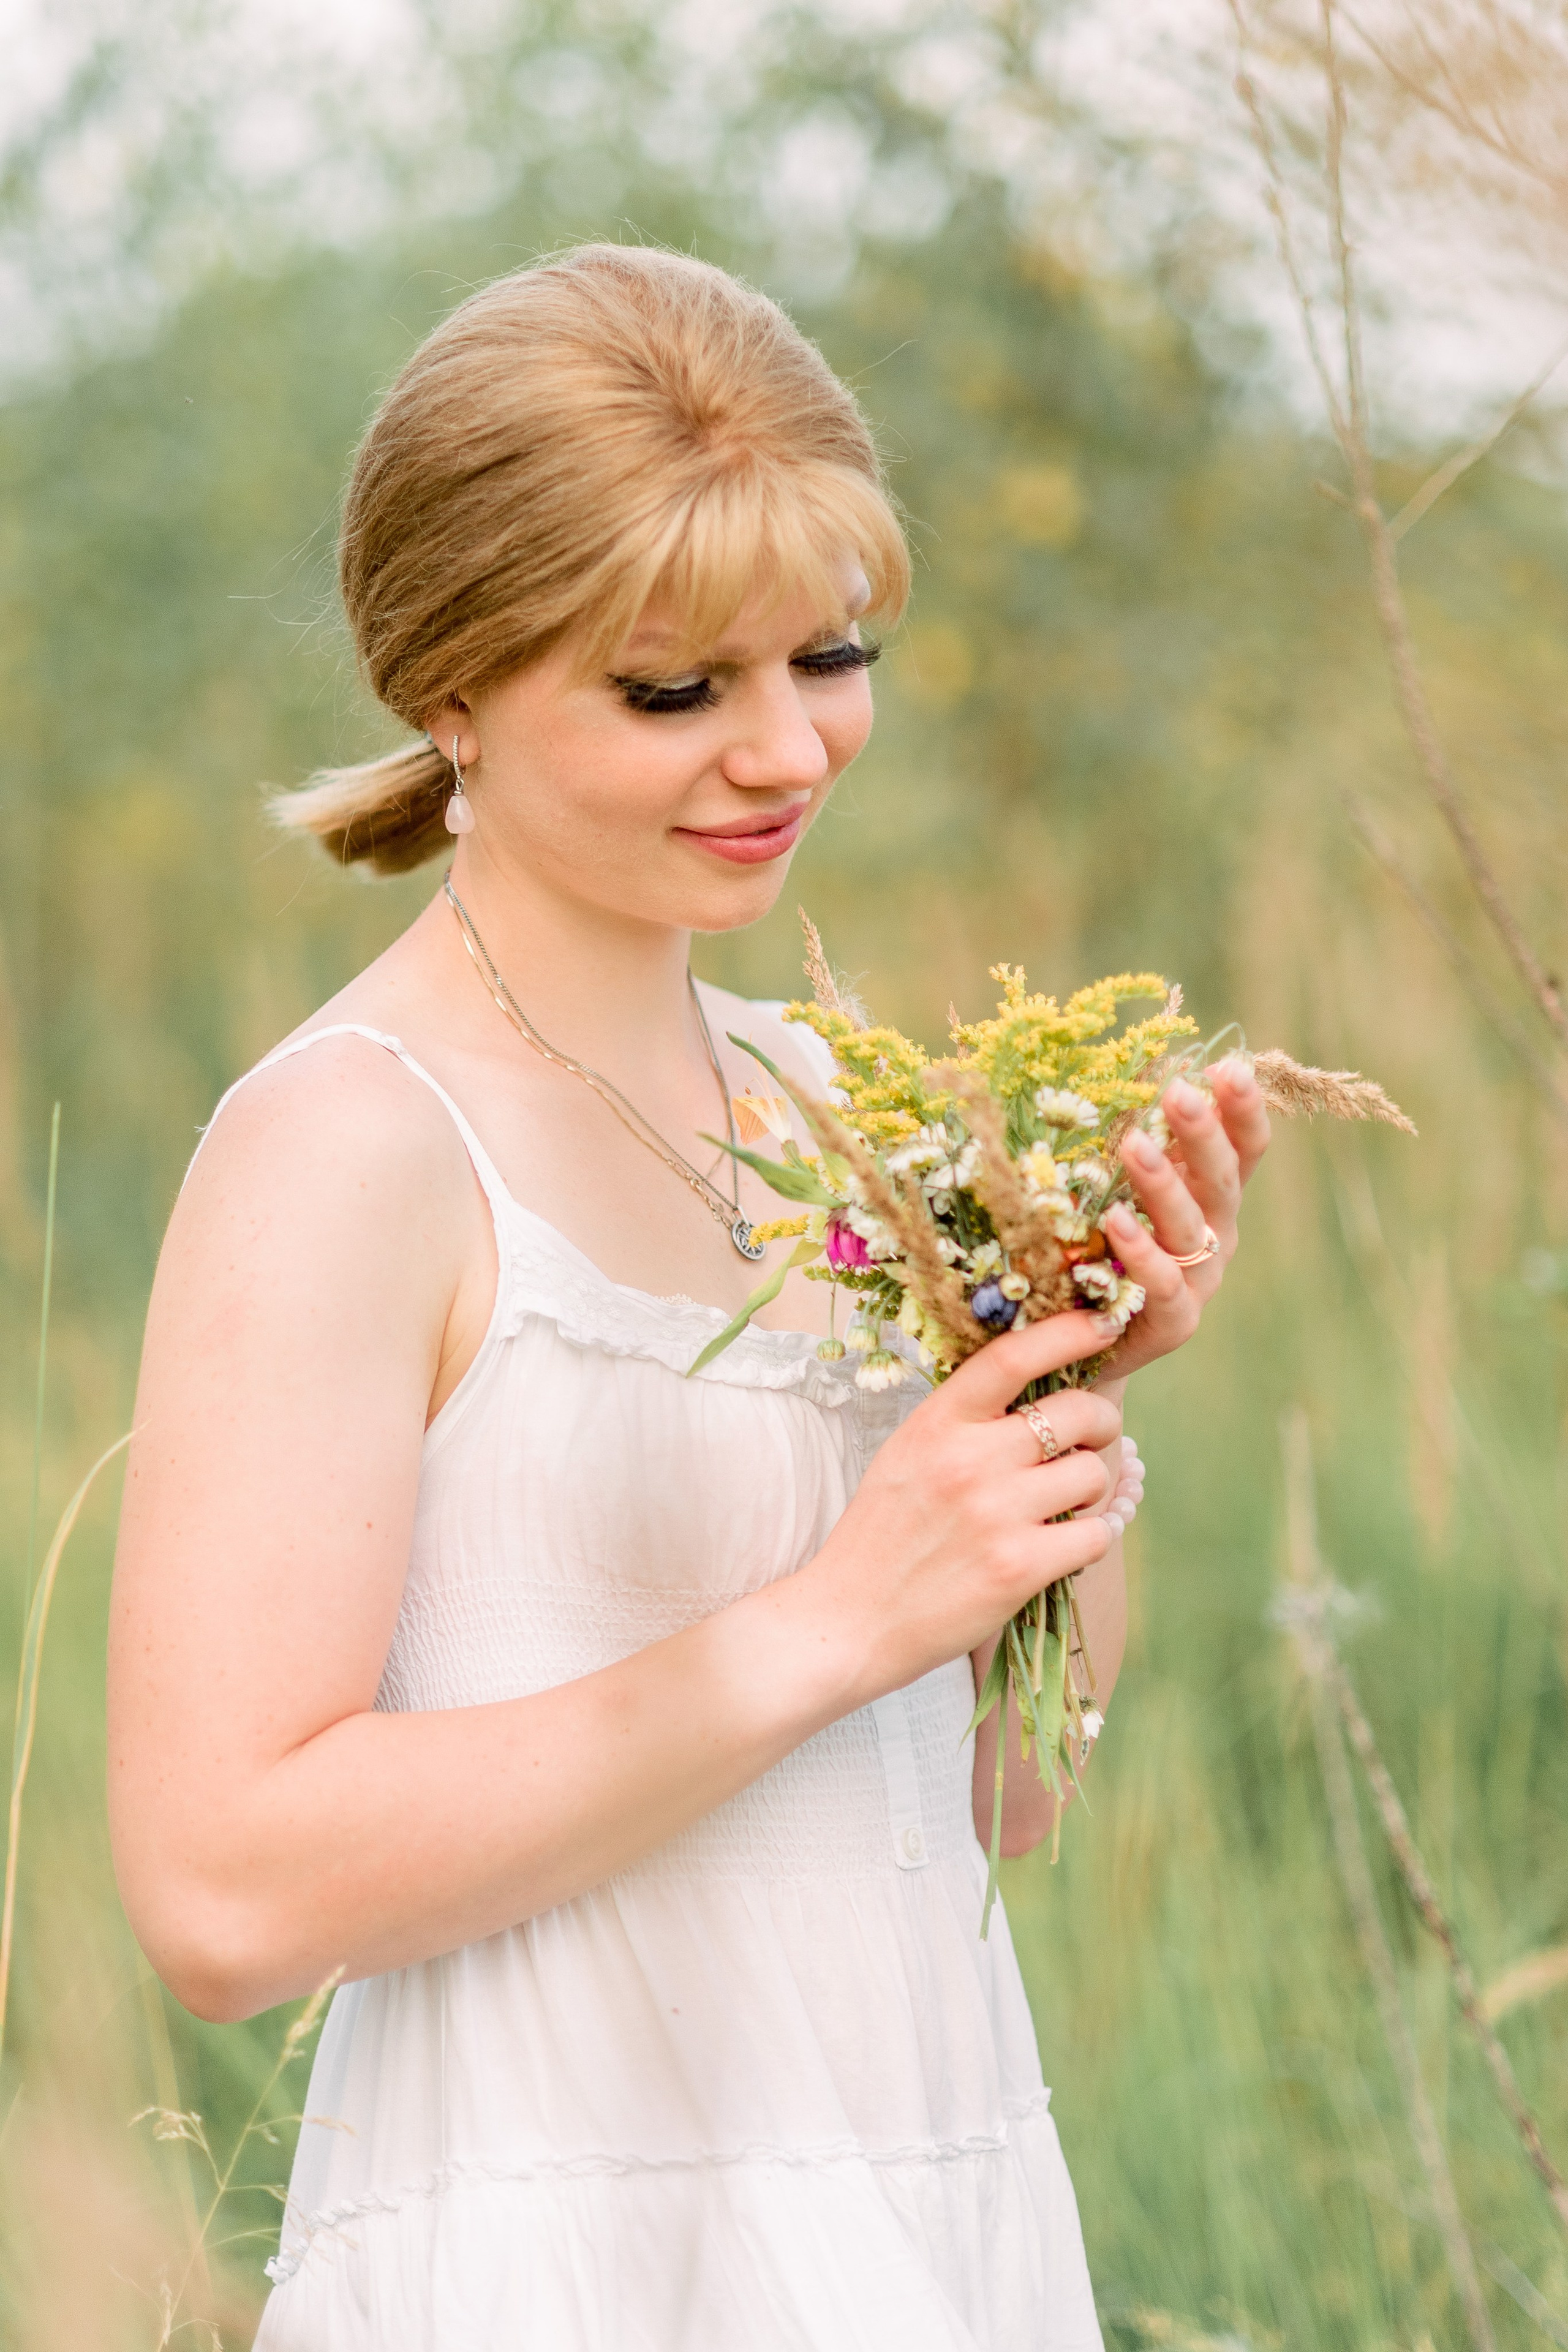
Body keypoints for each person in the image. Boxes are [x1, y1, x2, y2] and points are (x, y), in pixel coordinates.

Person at [107, 243, 1269, 2350]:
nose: (786, 752)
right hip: (556, 2257)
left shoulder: (844, 1106)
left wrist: (1064, 1387)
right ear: (446, 687)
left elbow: (1010, 1797)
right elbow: (221, 1895)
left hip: (933, 2219)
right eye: (674, 690)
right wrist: (829, 1620)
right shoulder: (347, 1152)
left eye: (829, 654)